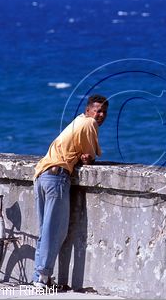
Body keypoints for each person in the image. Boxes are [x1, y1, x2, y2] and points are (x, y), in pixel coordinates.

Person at [32, 94, 108, 288]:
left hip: (42, 175)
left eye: (103, 112)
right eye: (97, 110)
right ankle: (42, 278)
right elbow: (89, 157)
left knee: (45, 228)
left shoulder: (78, 121)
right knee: (55, 231)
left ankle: (39, 276)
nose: (100, 115)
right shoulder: (89, 124)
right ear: (88, 111)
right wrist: (87, 158)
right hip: (57, 177)